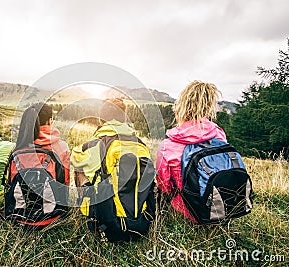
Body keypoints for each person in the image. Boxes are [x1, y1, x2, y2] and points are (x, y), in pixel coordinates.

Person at [71, 98, 155, 242]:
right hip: (142, 222)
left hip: (110, 225)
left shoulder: (98, 143)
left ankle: (90, 216)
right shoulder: (141, 145)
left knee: (80, 169)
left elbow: (74, 157)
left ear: (101, 120)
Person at [155, 81, 227, 223]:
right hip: (221, 206)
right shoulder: (219, 134)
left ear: (180, 107)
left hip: (189, 212)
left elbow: (165, 186)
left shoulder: (167, 146)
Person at [4, 103, 70, 228]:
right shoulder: (62, 147)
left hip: (18, 217)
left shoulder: (17, 149)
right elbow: (65, 183)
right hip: (53, 216)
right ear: (50, 120)